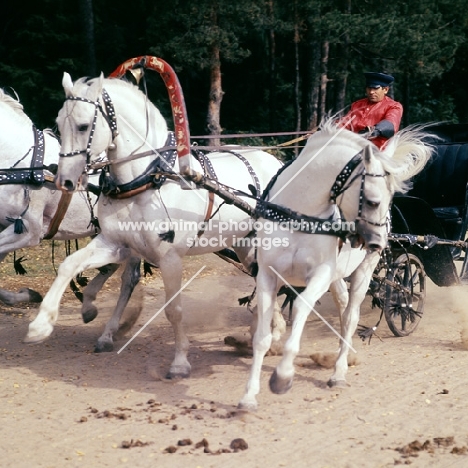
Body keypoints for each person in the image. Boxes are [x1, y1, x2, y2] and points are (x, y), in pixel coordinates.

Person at [339, 72, 403, 149]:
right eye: (369, 88)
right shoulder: (357, 105)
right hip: (354, 147)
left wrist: (375, 131)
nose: (371, 92)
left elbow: (391, 123)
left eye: (375, 88)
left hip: (379, 150)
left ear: (385, 90)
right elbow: (345, 123)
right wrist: (332, 127)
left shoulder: (394, 106)